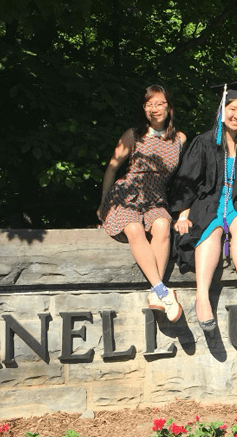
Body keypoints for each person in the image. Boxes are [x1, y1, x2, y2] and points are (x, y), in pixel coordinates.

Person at [171, 81, 237, 331]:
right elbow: (187, 180)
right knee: (211, 231)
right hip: (208, 201)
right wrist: (183, 213)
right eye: (232, 109)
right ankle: (202, 297)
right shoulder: (204, 142)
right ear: (222, 109)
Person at [97, 84, 186, 322]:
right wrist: (103, 203)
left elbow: (182, 181)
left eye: (159, 103)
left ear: (169, 108)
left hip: (157, 197)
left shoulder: (180, 140)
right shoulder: (133, 135)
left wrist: (184, 211)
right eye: (149, 104)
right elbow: (112, 169)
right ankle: (162, 291)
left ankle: (156, 293)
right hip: (127, 194)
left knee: (162, 226)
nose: (154, 109)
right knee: (135, 228)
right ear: (143, 108)